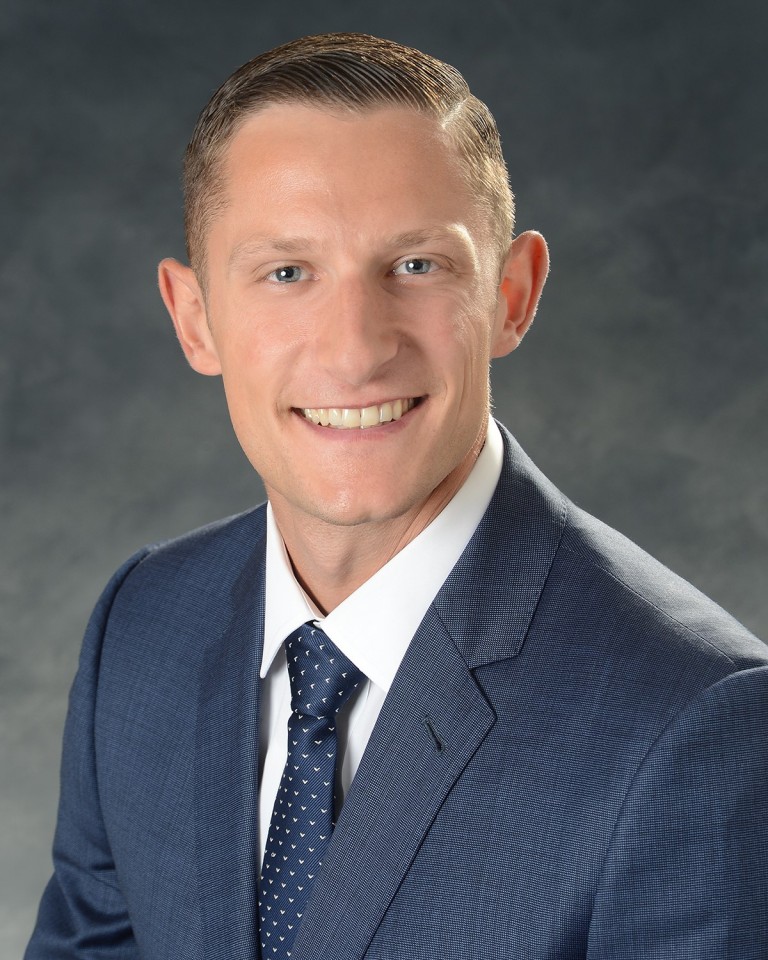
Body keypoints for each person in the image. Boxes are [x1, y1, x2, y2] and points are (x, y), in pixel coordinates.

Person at [27, 32, 767, 960]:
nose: (355, 349)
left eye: (416, 265)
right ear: (195, 317)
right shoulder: (143, 626)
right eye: (287, 272)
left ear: (512, 295)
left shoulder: (695, 719)